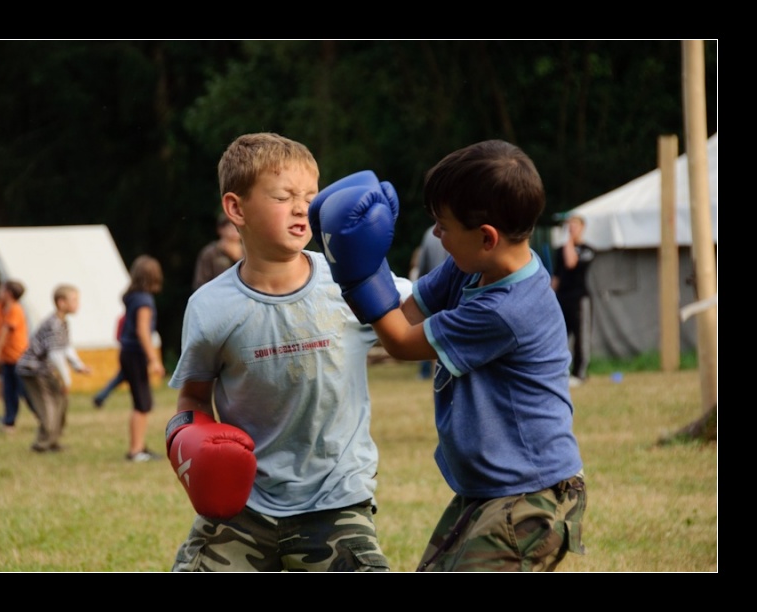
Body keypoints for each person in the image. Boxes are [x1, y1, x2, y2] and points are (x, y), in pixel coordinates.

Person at [312, 140, 586, 572]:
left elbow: (401, 342)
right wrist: (358, 265)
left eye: (443, 226)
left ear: (486, 237)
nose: (436, 235)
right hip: (489, 490)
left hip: (532, 496)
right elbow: (405, 315)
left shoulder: (507, 309)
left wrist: (360, 272)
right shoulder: (473, 266)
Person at [165, 132, 411, 572]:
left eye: (311, 197)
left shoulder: (350, 282)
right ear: (236, 208)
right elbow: (193, 399)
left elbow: (423, 314)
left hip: (335, 500)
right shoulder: (210, 307)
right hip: (244, 505)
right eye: (283, 196)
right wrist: (192, 443)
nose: (302, 207)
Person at [16, 284, 91, 453]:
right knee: (49, 404)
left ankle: (53, 441)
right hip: (33, 370)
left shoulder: (62, 322)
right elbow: (55, 355)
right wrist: (66, 380)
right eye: (74, 300)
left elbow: (66, 348)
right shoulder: (54, 324)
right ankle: (42, 444)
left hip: (44, 369)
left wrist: (78, 366)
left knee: (61, 402)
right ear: (61, 302)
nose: (77, 303)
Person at [120, 255, 166, 462]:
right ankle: (136, 451)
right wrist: (154, 359)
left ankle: (138, 447)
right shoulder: (144, 300)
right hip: (136, 354)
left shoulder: (133, 296)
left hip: (128, 352)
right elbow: (143, 331)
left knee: (142, 402)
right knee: (142, 404)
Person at [0, 279, 34, 432]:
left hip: (20, 358)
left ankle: (45, 417)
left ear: (9, 294)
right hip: (7, 360)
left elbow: (5, 331)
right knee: (8, 392)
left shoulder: (16, 309)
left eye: (1, 289)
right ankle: (9, 422)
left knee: (25, 392)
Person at [551, 213, 596, 387]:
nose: (571, 229)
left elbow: (571, 263)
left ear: (582, 228)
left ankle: (580, 373)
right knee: (559, 336)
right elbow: (557, 276)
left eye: (574, 226)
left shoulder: (588, 250)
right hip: (562, 298)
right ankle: (561, 372)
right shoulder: (559, 251)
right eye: (569, 226)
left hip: (580, 299)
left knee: (581, 337)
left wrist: (569, 241)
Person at [414, 226, 448, 379]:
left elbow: (422, 268)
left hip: (435, 293)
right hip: (457, 293)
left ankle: (433, 375)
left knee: (434, 334)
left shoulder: (429, 234)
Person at [191, 212, 243, 290]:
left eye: (237, 226)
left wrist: (238, 258)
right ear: (220, 229)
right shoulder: (210, 253)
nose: (234, 230)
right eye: (230, 226)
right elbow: (200, 283)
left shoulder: (249, 252)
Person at [92, 314, 126, 409]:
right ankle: (144, 403)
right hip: (133, 354)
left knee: (119, 378)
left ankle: (101, 396)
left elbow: (118, 337)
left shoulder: (121, 319)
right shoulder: (133, 317)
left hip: (123, 351)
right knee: (138, 380)